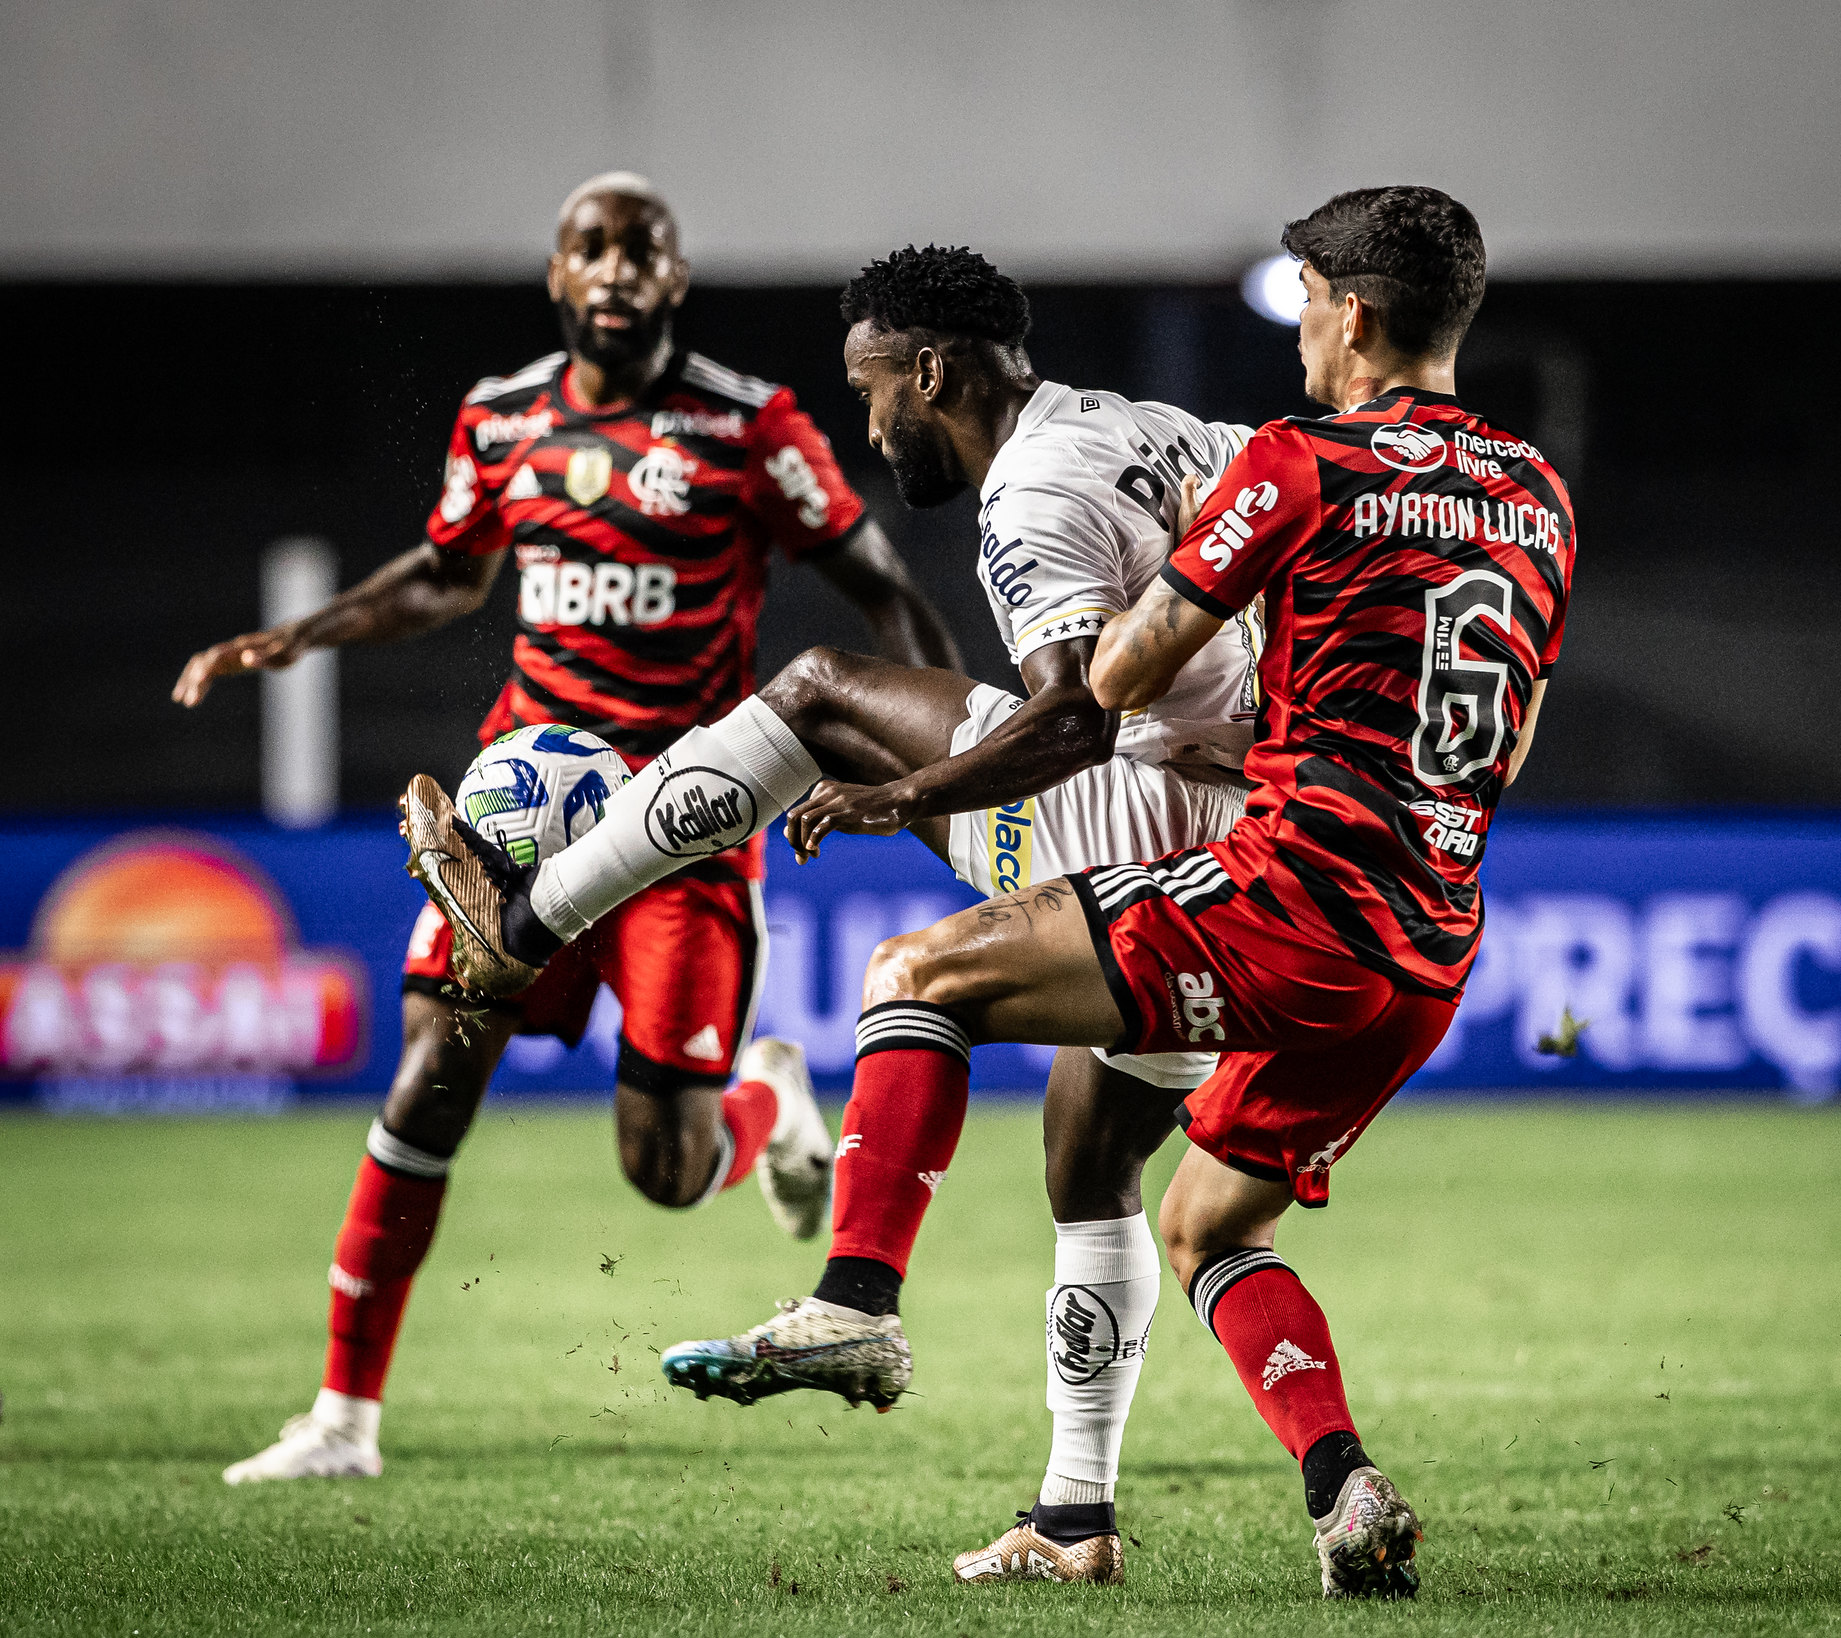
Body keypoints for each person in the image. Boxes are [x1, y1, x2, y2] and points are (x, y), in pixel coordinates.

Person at [646, 185, 1574, 1598]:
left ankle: (856, 1304)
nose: (1306, 330)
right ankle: (1327, 1491)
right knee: (1201, 1218)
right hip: (1433, 930)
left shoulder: (1294, 462)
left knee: (918, 973)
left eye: (1311, 301)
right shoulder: (1539, 493)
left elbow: (1109, 687)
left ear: (1358, 312)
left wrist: (940, 772)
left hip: (1289, 892)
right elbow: (1507, 735)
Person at [401, 244, 1266, 1583]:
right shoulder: (1162, 429)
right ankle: (1077, 1520)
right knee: (1093, 1165)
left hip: (1136, 825)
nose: (870, 425)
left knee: (813, 697)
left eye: (874, 393)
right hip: (1244, 859)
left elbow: (1071, 719)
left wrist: (905, 788)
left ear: (932, 369)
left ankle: (525, 923)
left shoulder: (1030, 483)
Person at [173, 173, 961, 1485]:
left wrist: (954, 759)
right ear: (554, 276)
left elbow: (877, 586)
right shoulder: (503, 419)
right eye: (589, 248)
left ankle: (763, 1107)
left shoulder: (747, 426)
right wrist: (298, 635)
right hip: (518, 822)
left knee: (665, 1170)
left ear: (675, 279)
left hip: (687, 823)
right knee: (433, 1066)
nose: (614, 269)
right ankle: (341, 1419)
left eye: (640, 250)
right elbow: (445, 570)